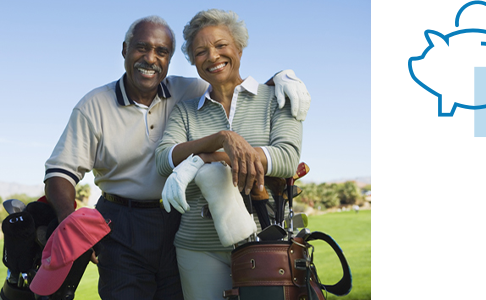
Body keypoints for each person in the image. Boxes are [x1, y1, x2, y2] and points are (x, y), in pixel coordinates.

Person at [43, 15, 310, 300]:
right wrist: (68, 222)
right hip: (122, 222)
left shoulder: (188, 91)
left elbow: (234, 84)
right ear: (124, 50)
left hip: (175, 217)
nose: (150, 58)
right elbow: (61, 171)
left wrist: (283, 75)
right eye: (141, 48)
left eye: (161, 51)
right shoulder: (97, 105)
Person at [155, 9, 303, 300]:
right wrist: (223, 139)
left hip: (265, 242)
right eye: (200, 51)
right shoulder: (185, 112)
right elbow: (163, 160)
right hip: (198, 246)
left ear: (238, 47)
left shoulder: (278, 97)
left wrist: (201, 159)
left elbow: (286, 159)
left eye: (221, 45)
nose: (212, 56)